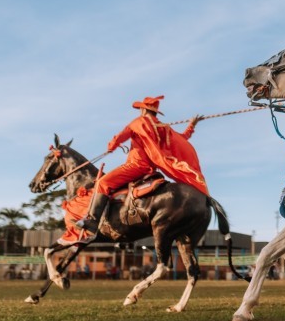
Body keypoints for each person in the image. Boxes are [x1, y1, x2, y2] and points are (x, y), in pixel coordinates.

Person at [77, 95, 208, 235]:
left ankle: (92, 221)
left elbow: (120, 137)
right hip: (151, 169)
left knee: (103, 182)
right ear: (155, 112)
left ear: (143, 110)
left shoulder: (137, 123)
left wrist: (111, 146)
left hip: (135, 166)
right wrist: (191, 126)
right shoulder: (163, 128)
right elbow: (181, 139)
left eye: (140, 109)